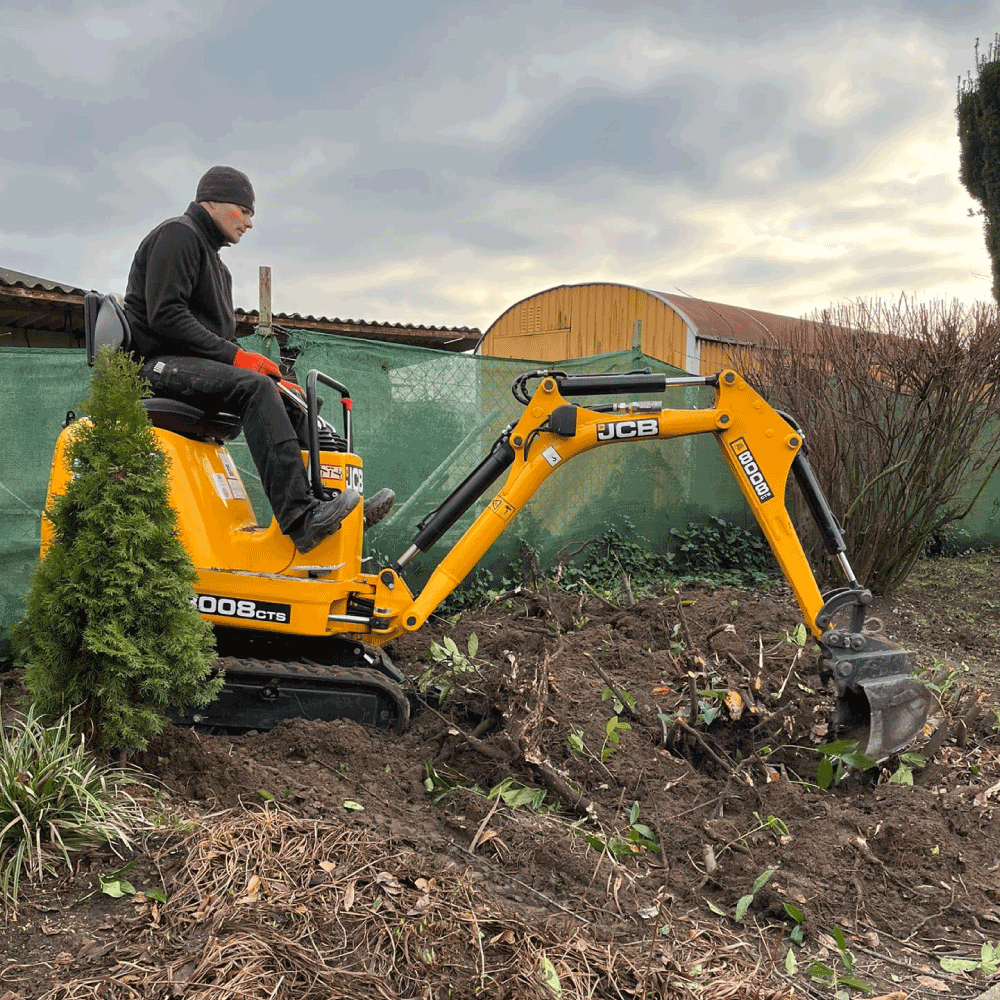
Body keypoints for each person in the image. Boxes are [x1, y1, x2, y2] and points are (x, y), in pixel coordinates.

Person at [124, 165, 393, 553]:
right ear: (212, 201)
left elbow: (218, 339)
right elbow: (165, 315)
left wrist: (268, 373)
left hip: (189, 365)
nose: (250, 222)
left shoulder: (219, 268)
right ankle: (302, 519)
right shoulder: (178, 235)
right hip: (156, 364)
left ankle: (338, 505)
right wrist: (238, 358)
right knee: (254, 388)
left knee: (292, 396)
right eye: (244, 210)